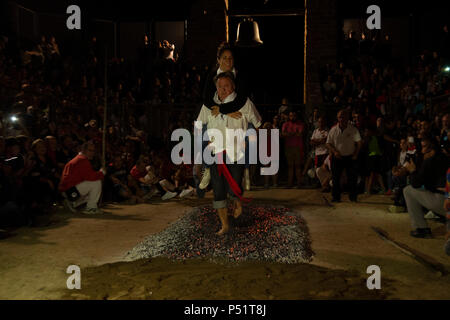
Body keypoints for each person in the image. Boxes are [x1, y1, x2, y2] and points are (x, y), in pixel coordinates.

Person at [196, 72, 261, 235]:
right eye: (219, 86)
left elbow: (258, 123)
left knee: (235, 186)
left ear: (233, 86)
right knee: (218, 191)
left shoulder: (244, 103)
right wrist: (204, 141)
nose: (222, 89)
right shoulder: (209, 105)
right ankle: (224, 225)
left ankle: (237, 202)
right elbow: (198, 125)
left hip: (236, 152)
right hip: (216, 153)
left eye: (226, 86)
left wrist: (250, 138)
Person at [403, 137, 449, 238]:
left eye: (424, 147)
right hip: (445, 200)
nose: (422, 150)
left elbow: (416, 183)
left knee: (408, 190)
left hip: (445, 203)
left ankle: (421, 228)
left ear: (431, 148)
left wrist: (412, 170)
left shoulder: (430, 160)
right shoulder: (445, 158)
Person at [58, 141, 105, 214]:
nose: (92, 153)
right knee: (96, 183)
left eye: (93, 151)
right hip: (69, 191)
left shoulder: (80, 158)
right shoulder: (82, 160)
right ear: (84, 150)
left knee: (91, 192)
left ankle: (73, 203)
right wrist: (102, 173)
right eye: (90, 150)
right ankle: (90, 208)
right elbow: (91, 177)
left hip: (67, 190)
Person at [326, 109, 362, 202]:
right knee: (335, 178)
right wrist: (334, 152)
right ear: (337, 118)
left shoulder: (353, 129)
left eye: (343, 117)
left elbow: (359, 142)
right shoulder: (333, 130)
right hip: (337, 157)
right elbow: (328, 143)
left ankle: (353, 197)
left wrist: (355, 154)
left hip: (350, 157)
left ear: (347, 118)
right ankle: (336, 197)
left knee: (352, 178)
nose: (341, 119)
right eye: (340, 117)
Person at [282, 111, 305, 188]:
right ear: (289, 116)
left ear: (296, 116)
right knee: (290, 166)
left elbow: (300, 134)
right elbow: (283, 134)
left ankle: (299, 183)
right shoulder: (285, 124)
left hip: (298, 148)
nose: (292, 117)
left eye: (294, 115)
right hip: (288, 148)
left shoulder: (300, 124)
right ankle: (290, 183)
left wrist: (289, 134)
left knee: (298, 166)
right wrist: (294, 133)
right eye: (291, 115)